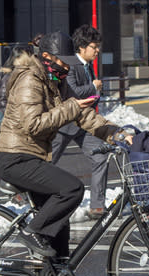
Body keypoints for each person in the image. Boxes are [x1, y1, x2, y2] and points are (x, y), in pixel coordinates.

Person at [0, 31, 131, 276]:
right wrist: (70, 108)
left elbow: (82, 113)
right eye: (63, 60)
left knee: (60, 222)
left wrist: (114, 133)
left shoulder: (53, 79)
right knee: (71, 189)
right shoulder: (29, 78)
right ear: (46, 57)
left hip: (34, 156)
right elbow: (33, 124)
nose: (67, 66)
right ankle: (33, 233)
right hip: (17, 157)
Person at [52, 24, 109, 220]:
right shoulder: (71, 65)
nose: (97, 51)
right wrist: (93, 87)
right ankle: (22, 192)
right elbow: (73, 92)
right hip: (65, 124)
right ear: (82, 47)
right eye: (94, 47)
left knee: (100, 157)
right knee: (47, 161)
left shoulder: (87, 66)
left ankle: (97, 206)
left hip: (83, 123)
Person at [0, 46, 32, 199]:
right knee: (14, 157)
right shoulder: (8, 76)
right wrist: (14, 119)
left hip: (15, 122)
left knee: (13, 157)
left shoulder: (20, 74)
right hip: (9, 123)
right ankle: (3, 187)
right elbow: (3, 101)